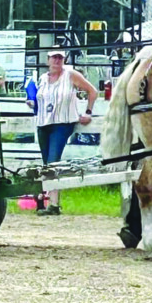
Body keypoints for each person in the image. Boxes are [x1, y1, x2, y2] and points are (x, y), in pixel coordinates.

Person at [29, 49, 97, 214]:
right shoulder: (43, 79)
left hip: (62, 123)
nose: (57, 61)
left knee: (53, 162)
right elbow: (40, 100)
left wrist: (88, 112)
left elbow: (92, 91)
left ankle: (54, 204)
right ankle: (42, 200)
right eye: (54, 58)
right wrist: (32, 103)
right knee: (47, 164)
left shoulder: (70, 75)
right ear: (48, 60)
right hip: (44, 123)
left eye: (60, 58)